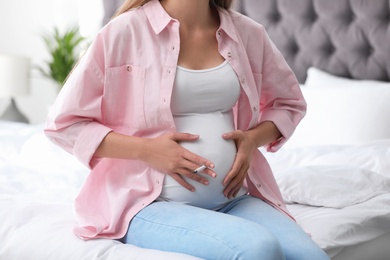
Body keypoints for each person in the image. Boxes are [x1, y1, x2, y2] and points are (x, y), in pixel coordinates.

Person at [45, 0, 330, 259]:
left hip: (233, 199)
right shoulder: (124, 31)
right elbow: (64, 124)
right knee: (256, 247)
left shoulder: (247, 33)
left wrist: (251, 140)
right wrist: (148, 150)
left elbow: (289, 103)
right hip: (146, 204)